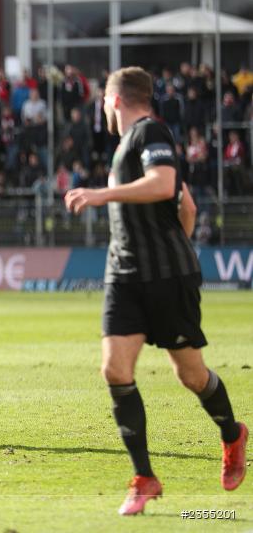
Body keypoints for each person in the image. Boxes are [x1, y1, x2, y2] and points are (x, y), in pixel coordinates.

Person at [64, 67, 247, 516]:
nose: (102, 108)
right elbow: (186, 204)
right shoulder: (127, 145)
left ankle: (232, 434)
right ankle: (144, 477)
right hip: (124, 275)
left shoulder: (150, 132)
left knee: (191, 375)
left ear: (116, 100)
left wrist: (102, 196)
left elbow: (167, 186)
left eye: (104, 100)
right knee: (114, 369)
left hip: (166, 278)